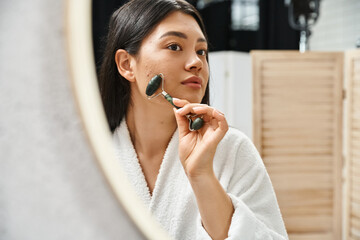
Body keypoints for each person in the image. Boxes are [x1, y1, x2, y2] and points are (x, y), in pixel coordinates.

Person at [99, 0, 288, 239]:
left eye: (201, 51)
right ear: (126, 64)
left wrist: (201, 175)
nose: (196, 63)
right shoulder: (94, 155)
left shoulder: (233, 150)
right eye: (175, 46)